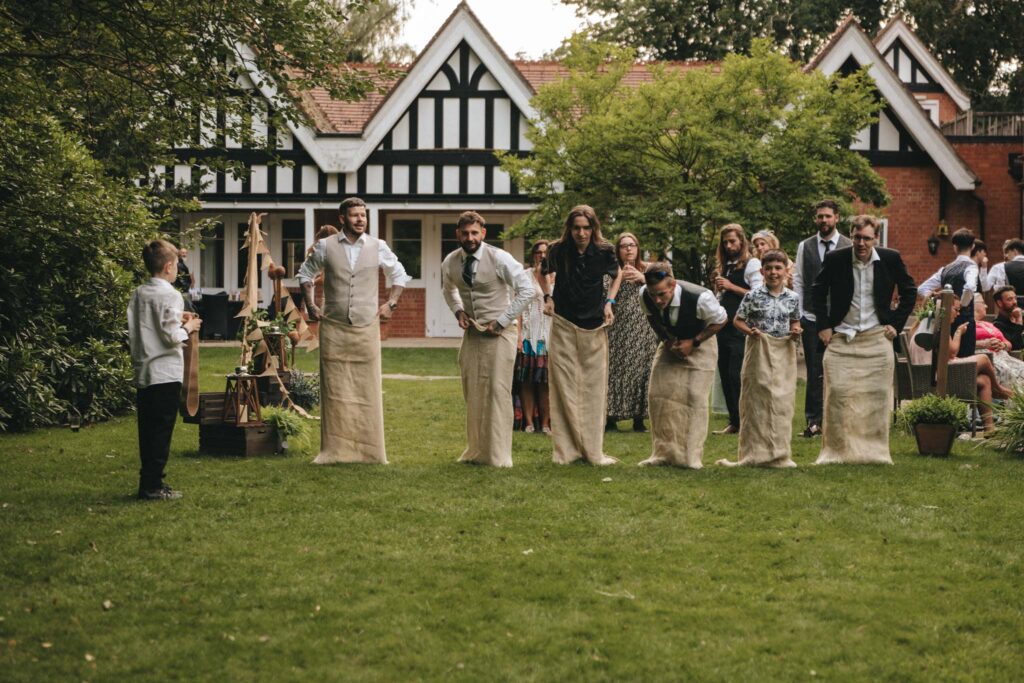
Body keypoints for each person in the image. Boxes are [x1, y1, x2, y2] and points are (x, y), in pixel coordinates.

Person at [298, 197, 410, 464]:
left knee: (366, 389)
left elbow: (400, 275)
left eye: (363, 215)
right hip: (334, 327)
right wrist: (311, 306)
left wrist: (391, 303)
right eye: (354, 215)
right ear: (342, 219)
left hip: (366, 327)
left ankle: (370, 452)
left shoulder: (377, 246)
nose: (360, 219)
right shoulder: (325, 247)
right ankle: (334, 451)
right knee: (334, 389)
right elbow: (304, 274)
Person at [811, 215, 916, 465]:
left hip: (876, 336)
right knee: (837, 393)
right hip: (842, 336)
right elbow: (817, 289)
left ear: (875, 239)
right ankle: (837, 452)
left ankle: (873, 453)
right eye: (857, 237)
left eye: (867, 238)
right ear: (851, 236)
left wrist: (895, 323)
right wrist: (824, 326)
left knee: (877, 397)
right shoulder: (836, 259)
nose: (861, 243)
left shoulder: (890, 259)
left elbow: (909, 291)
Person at [441, 211, 534, 467]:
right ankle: (475, 451)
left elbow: (528, 290)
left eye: (475, 233)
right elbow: (447, 289)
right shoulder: (450, 262)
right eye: (465, 233)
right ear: (457, 234)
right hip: (472, 333)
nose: (470, 238)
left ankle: (498, 456)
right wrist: (458, 310)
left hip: (501, 333)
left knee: (496, 391)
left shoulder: (499, 258)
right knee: (473, 392)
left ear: (483, 233)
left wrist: (502, 320)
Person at [539, 205, 623, 466]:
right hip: (564, 320)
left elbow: (617, 274)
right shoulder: (557, 249)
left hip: (594, 322)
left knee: (592, 387)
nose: (581, 233)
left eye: (586, 228)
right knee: (563, 384)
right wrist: (548, 296)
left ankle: (592, 450)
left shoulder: (605, 250)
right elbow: (540, 273)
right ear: (570, 228)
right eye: (576, 228)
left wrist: (610, 302)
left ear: (593, 228)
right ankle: (566, 450)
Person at [127, 239, 202, 500]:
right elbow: (171, 336)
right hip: (165, 370)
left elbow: (149, 323)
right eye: (177, 266)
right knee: (161, 430)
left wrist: (176, 320)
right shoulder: (171, 294)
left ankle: (149, 481)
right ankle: (153, 486)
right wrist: (189, 328)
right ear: (169, 266)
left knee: (147, 431)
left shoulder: (139, 293)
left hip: (144, 368)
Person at [717, 250, 801, 468]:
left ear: (785, 271)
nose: (773, 272)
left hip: (782, 352)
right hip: (759, 351)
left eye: (778, 268)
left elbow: (795, 321)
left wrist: (796, 331)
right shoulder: (752, 296)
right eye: (769, 268)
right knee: (757, 399)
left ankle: (779, 453)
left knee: (781, 400)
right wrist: (750, 332)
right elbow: (738, 320)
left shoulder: (793, 298)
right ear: (762, 271)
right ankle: (754, 452)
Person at [637, 262, 726, 468]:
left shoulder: (701, 298)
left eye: (662, 294)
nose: (657, 300)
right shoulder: (644, 294)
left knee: (694, 397)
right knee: (658, 395)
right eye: (653, 295)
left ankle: (690, 458)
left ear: (673, 284)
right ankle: (662, 454)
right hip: (671, 341)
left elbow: (721, 320)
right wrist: (667, 340)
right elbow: (651, 318)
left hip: (701, 341)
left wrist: (693, 342)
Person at [793, 199, 852, 438]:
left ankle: (839, 420)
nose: (824, 220)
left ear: (836, 218)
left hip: (841, 318)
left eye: (828, 216)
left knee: (840, 369)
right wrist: (798, 314)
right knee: (814, 370)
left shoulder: (849, 245)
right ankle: (813, 422)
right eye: (820, 216)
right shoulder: (804, 246)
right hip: (810, 316)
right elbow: (798, 280)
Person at [906, 309, 1009, 434]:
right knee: (984, 358)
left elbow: (945, 357)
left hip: (926, 377)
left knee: (984, 380)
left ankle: (989, 428)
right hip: (938, 381)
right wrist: (959, 332)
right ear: (945, 308)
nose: (958, 313)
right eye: (955, 309)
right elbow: (953, 352)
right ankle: (997, 389)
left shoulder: (923, 326)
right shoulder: (938, 328)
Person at [605, 232, 659, 432]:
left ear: (638, 248)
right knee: (616, 371)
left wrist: (643, 278)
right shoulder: (612, 271)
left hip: (644, 327)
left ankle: (639, 418)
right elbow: (605, 295)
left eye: (632, 245)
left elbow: (667, 286)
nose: (628, 249)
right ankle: (611, 417)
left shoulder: (649, 269)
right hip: (619, 329)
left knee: (643, 371)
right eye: (624, 246)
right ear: (618, 250)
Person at [711, 224, 762, 435]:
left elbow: (759, 295)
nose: (729, 245)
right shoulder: (725, 266)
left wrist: (731, 287)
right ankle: (734, 421)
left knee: (736, 374)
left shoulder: (752, 264)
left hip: (741, 326)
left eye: (733, 241)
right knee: (724, 372)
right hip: (723, 326)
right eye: (725, 242)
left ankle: (746, 420)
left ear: (742, 241)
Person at [917, 228, 979, 357]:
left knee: (945, 359)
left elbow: (922, 289)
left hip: (943, 321)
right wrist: (962, 304)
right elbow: (969, 287)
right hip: (964, 323)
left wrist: (937, 299)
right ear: (973, 246)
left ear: (955, 247)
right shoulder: (971, 266)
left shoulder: (945, 269)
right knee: (965, 361)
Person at [518, 240, 553, 434]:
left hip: (550, 338)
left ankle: (546, 423)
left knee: (546, 382)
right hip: (529, 336)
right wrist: (517, 335)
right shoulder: (524, 277)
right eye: (538, 252)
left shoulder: (559, 277)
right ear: (533, 255)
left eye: (546, 252)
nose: (542, 255)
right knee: (527, 380)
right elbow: (518, 308)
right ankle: (529, 422)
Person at [973, 293, 1024, 389]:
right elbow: (964, 342)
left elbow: (1009, 343)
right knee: (1009, 372)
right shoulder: (967, 325)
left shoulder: (988, 324)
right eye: (983, 303)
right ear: (973, 305)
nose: (986, 306)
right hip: (988, 359)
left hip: (1004, 356)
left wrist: (1003, 345)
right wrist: (983, 344)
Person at [992, 285, 1024, 350]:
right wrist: (1019, 321)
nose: (1015, 302)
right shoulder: (997, 325)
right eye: (1010, 299)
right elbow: (1015, 346)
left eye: (1015, 298)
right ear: (999, 303)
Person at [173, 247, 196, 312]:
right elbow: (181, 279)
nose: (185, 254)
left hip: (183, 291)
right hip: (183, 292)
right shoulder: (179, 264)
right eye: (183, 253)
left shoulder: (182, 263)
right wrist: (186, 287)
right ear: (178, 254)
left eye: (186, 253)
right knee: (188, 310)